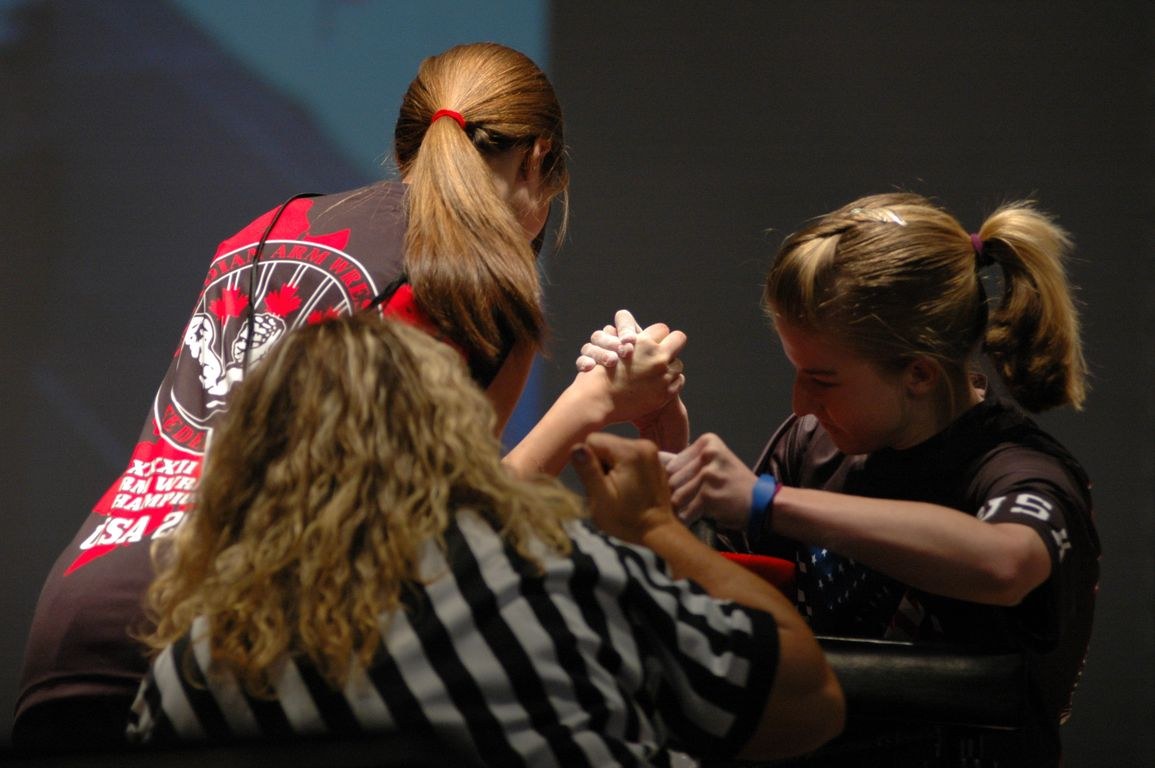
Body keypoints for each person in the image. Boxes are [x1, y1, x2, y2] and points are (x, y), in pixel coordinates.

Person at [14, 42, 687, 750]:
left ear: (406, 146)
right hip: (217, 644)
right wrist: (591, 403)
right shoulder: (480, 279)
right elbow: (448, 536)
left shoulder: (265, 228)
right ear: (537, 161)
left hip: (80, 611)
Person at [124, 313, 844, 765]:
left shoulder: (186, 675)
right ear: (448, 431)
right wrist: (655, 528)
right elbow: (807, 703)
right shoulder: (556, 578)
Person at [580, 193, 1099, 766]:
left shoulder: (1020, 471)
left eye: (822, 380)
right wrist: (663, 449)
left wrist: (768, 501)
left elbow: (1005, 564)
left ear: (919, 374)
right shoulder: (812, 445)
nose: (801, 404)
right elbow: (714, 602)